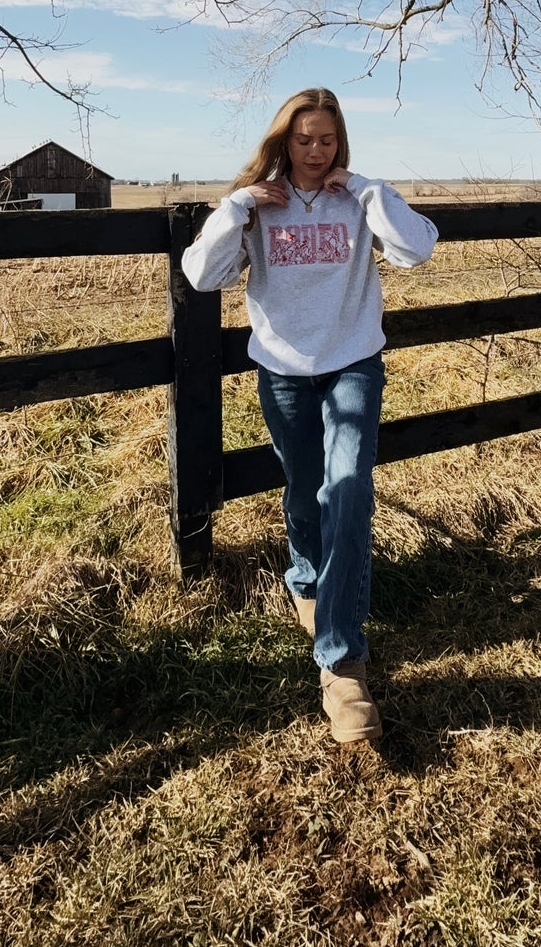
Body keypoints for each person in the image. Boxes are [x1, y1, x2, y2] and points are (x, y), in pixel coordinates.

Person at [181, 87, 438, 743]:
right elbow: (201, 274)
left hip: (353, 360)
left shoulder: (357, 198)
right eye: (303, 139)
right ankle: (304, 577)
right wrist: (236, 205)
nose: (316, 150)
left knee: (347, 489)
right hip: (283, 370)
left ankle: (340, 661)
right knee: (303, 491)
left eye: (326, 138)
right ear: (282, 141)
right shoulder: (257, 205)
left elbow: (415, 249)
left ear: (339, 140)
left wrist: (370, 191)